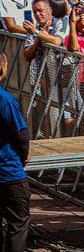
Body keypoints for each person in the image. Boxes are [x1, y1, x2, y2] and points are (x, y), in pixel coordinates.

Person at [0, 54, 28, 252]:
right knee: (18, 223)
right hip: (8, 172)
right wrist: (23, 156)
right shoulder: (6, 100)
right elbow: (21, 135)